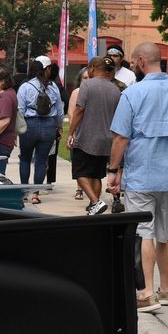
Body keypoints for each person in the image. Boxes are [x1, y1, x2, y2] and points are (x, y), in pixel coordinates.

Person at [107, 42, 168, 313]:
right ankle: (166, 289)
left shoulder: (133, 94)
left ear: (143, 61)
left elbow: (121, 137)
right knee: (166, 234)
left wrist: (113, 170)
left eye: (134, 62)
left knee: (144, 232)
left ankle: (146, 291)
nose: (132, 65)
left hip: (141, 172)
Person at [68, 56, 122, 216]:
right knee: (97, 174)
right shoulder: (115, 89)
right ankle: (94, 206)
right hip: (107, 139)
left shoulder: (87, 85)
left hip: (87, 137)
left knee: (80, 172)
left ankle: (95, 201)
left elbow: (79, 109)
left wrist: (71, 132)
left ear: (92, 68)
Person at [16, 58, 64, 198]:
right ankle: (35, 194)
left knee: (25, 158)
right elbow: (59, 111)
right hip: (49, 126)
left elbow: (20, 110)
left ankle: (24, 192)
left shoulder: (25, 86)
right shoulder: (54, 87)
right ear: (47, 69)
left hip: (30, 126)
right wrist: (59, 126)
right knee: (41, 160)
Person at [66, 67, 92, 200]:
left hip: (92, 132)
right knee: (79, 162)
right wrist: (73, 132)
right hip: (79, 131)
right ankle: (79, 188)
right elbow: (71, 113)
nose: (87, 81)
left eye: (89, 78)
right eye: (85, 78)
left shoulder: (95, 92)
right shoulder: (76, 92)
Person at [44, 61, 66, 187]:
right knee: (51, 153)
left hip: (34, 124)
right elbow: (64, 103)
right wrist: (60, 124)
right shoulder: (57, 87)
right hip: (52, 123)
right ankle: (49, 178)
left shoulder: (30, 84)